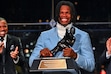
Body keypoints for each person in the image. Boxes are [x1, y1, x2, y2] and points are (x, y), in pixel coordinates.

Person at [29, 1, 95, 73]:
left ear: (72, 15)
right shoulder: (44, 35)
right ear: (58, 14)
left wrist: (75, 56)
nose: (64, 15)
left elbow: (91, 65)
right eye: (62, 13)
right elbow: (31, 63)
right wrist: (40, 56)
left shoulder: (83, 36)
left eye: (67, 13)